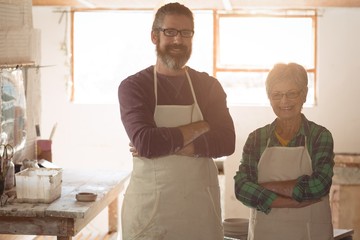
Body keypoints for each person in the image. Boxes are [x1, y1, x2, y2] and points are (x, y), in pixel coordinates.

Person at [118, 2, 235, 240]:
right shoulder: (134, 87)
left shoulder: (207, 85)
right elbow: (147, 143)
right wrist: (203, 126)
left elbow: (226, 142)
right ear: (154, 36)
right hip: (151, 214)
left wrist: (169, 145)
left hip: (200, 212)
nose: (178, 40)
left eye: (186, 33)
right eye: (170, 32)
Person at [234, 63, 334, 240]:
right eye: (277, 95)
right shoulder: (256, 138)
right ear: (269, 97)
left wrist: (264, 187)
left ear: (304, 94)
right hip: (264, 234)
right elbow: (241, 188)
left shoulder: (319, 136)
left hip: (311, 234)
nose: (284, 101)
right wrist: (288, 202)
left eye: (292, 94)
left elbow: (320, 185)